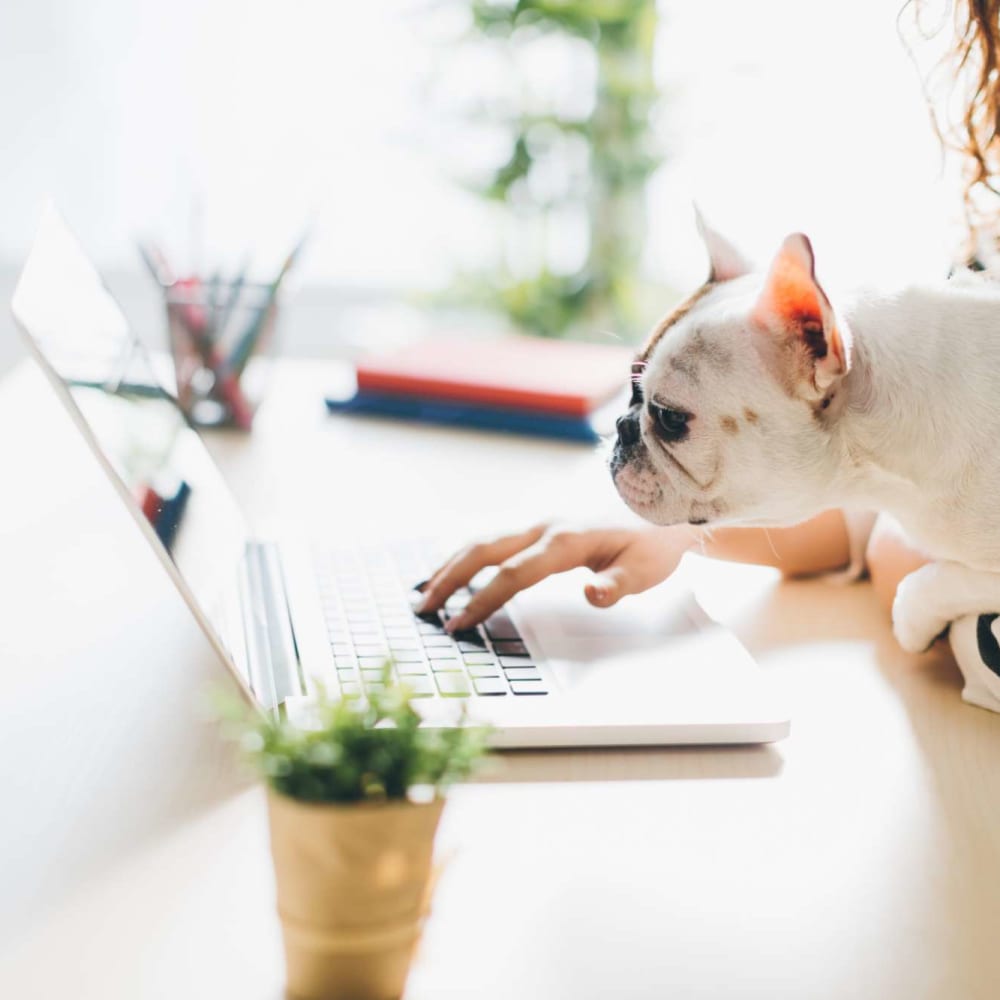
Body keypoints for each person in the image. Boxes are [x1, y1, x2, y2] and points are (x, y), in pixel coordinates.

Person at [416, 1, 1000, 712]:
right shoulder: (964, 299)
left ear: (814, 339)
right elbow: (871, 470)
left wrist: (929, 580)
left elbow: (886, 499)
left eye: (671, 419)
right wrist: (681, 531)